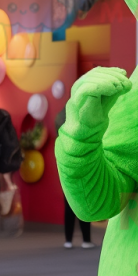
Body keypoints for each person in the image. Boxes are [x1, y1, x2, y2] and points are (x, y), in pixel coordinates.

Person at [55, 102, 95, 249]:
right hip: (82, 164)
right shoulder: (82, 117)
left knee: (69, 202)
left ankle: (68, 240)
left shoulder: (61, 118)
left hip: (66, 165)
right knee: (83, 200)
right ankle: (86, 239)